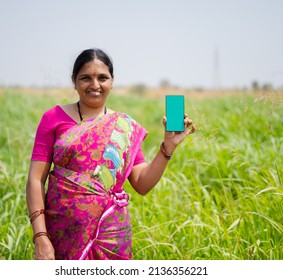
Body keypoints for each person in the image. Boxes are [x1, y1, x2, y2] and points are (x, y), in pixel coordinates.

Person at [26, 48, 195, 260]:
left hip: (111, 236)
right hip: (62, 234)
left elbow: (142, 184)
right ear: (74, 81)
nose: (95, 85)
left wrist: (167, 148)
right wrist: (40, 236)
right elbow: (35, 179)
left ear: (112, 81)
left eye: (102, 78)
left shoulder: (123, 128)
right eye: (86, 78)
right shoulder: (54, 118)